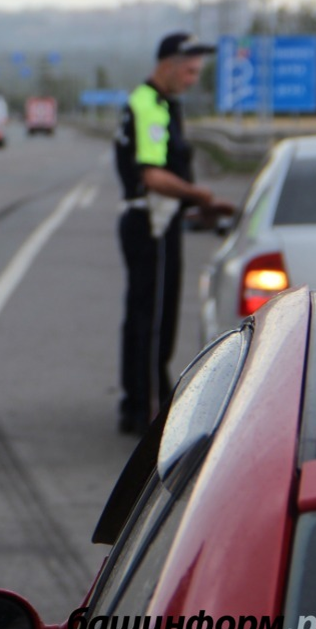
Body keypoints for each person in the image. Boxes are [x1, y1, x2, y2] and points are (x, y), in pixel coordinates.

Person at [113, 32, 236, 436]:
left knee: (147, 315)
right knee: (153, 321)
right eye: (188, 69)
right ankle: (147, 413)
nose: (192, 78)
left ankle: (140, 402)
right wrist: (198, 194)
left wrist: (194, 204)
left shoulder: (161, 104)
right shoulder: (150, 105)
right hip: (153, 221)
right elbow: (152, 176)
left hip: (159, 220)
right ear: (166, 64)